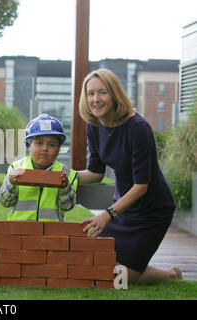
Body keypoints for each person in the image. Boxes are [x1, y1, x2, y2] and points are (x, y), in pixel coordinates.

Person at [77, 68, 182, 284]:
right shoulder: (94, 125)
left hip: (152, 210)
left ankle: (171, 274)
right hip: (123, 207)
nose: (96, 99)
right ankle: (151, 270)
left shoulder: (138, 128)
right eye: (90, 93)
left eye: (102, 92)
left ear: (115, 94)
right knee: (96, 263)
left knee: (119, 278)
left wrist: (107, 215)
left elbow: (141, 186)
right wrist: (64, 176)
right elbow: (95, 173)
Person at [0, 114, 78, 221]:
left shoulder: (66, 174)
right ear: (29, 146)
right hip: (18, 231)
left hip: (51, 234)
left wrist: (65, 188)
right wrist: (10, 183)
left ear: (59, 149)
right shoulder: (16, 168)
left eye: (51, 145)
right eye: (39, 143)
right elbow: (5, 202)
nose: (45, 148)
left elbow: (67, 206)